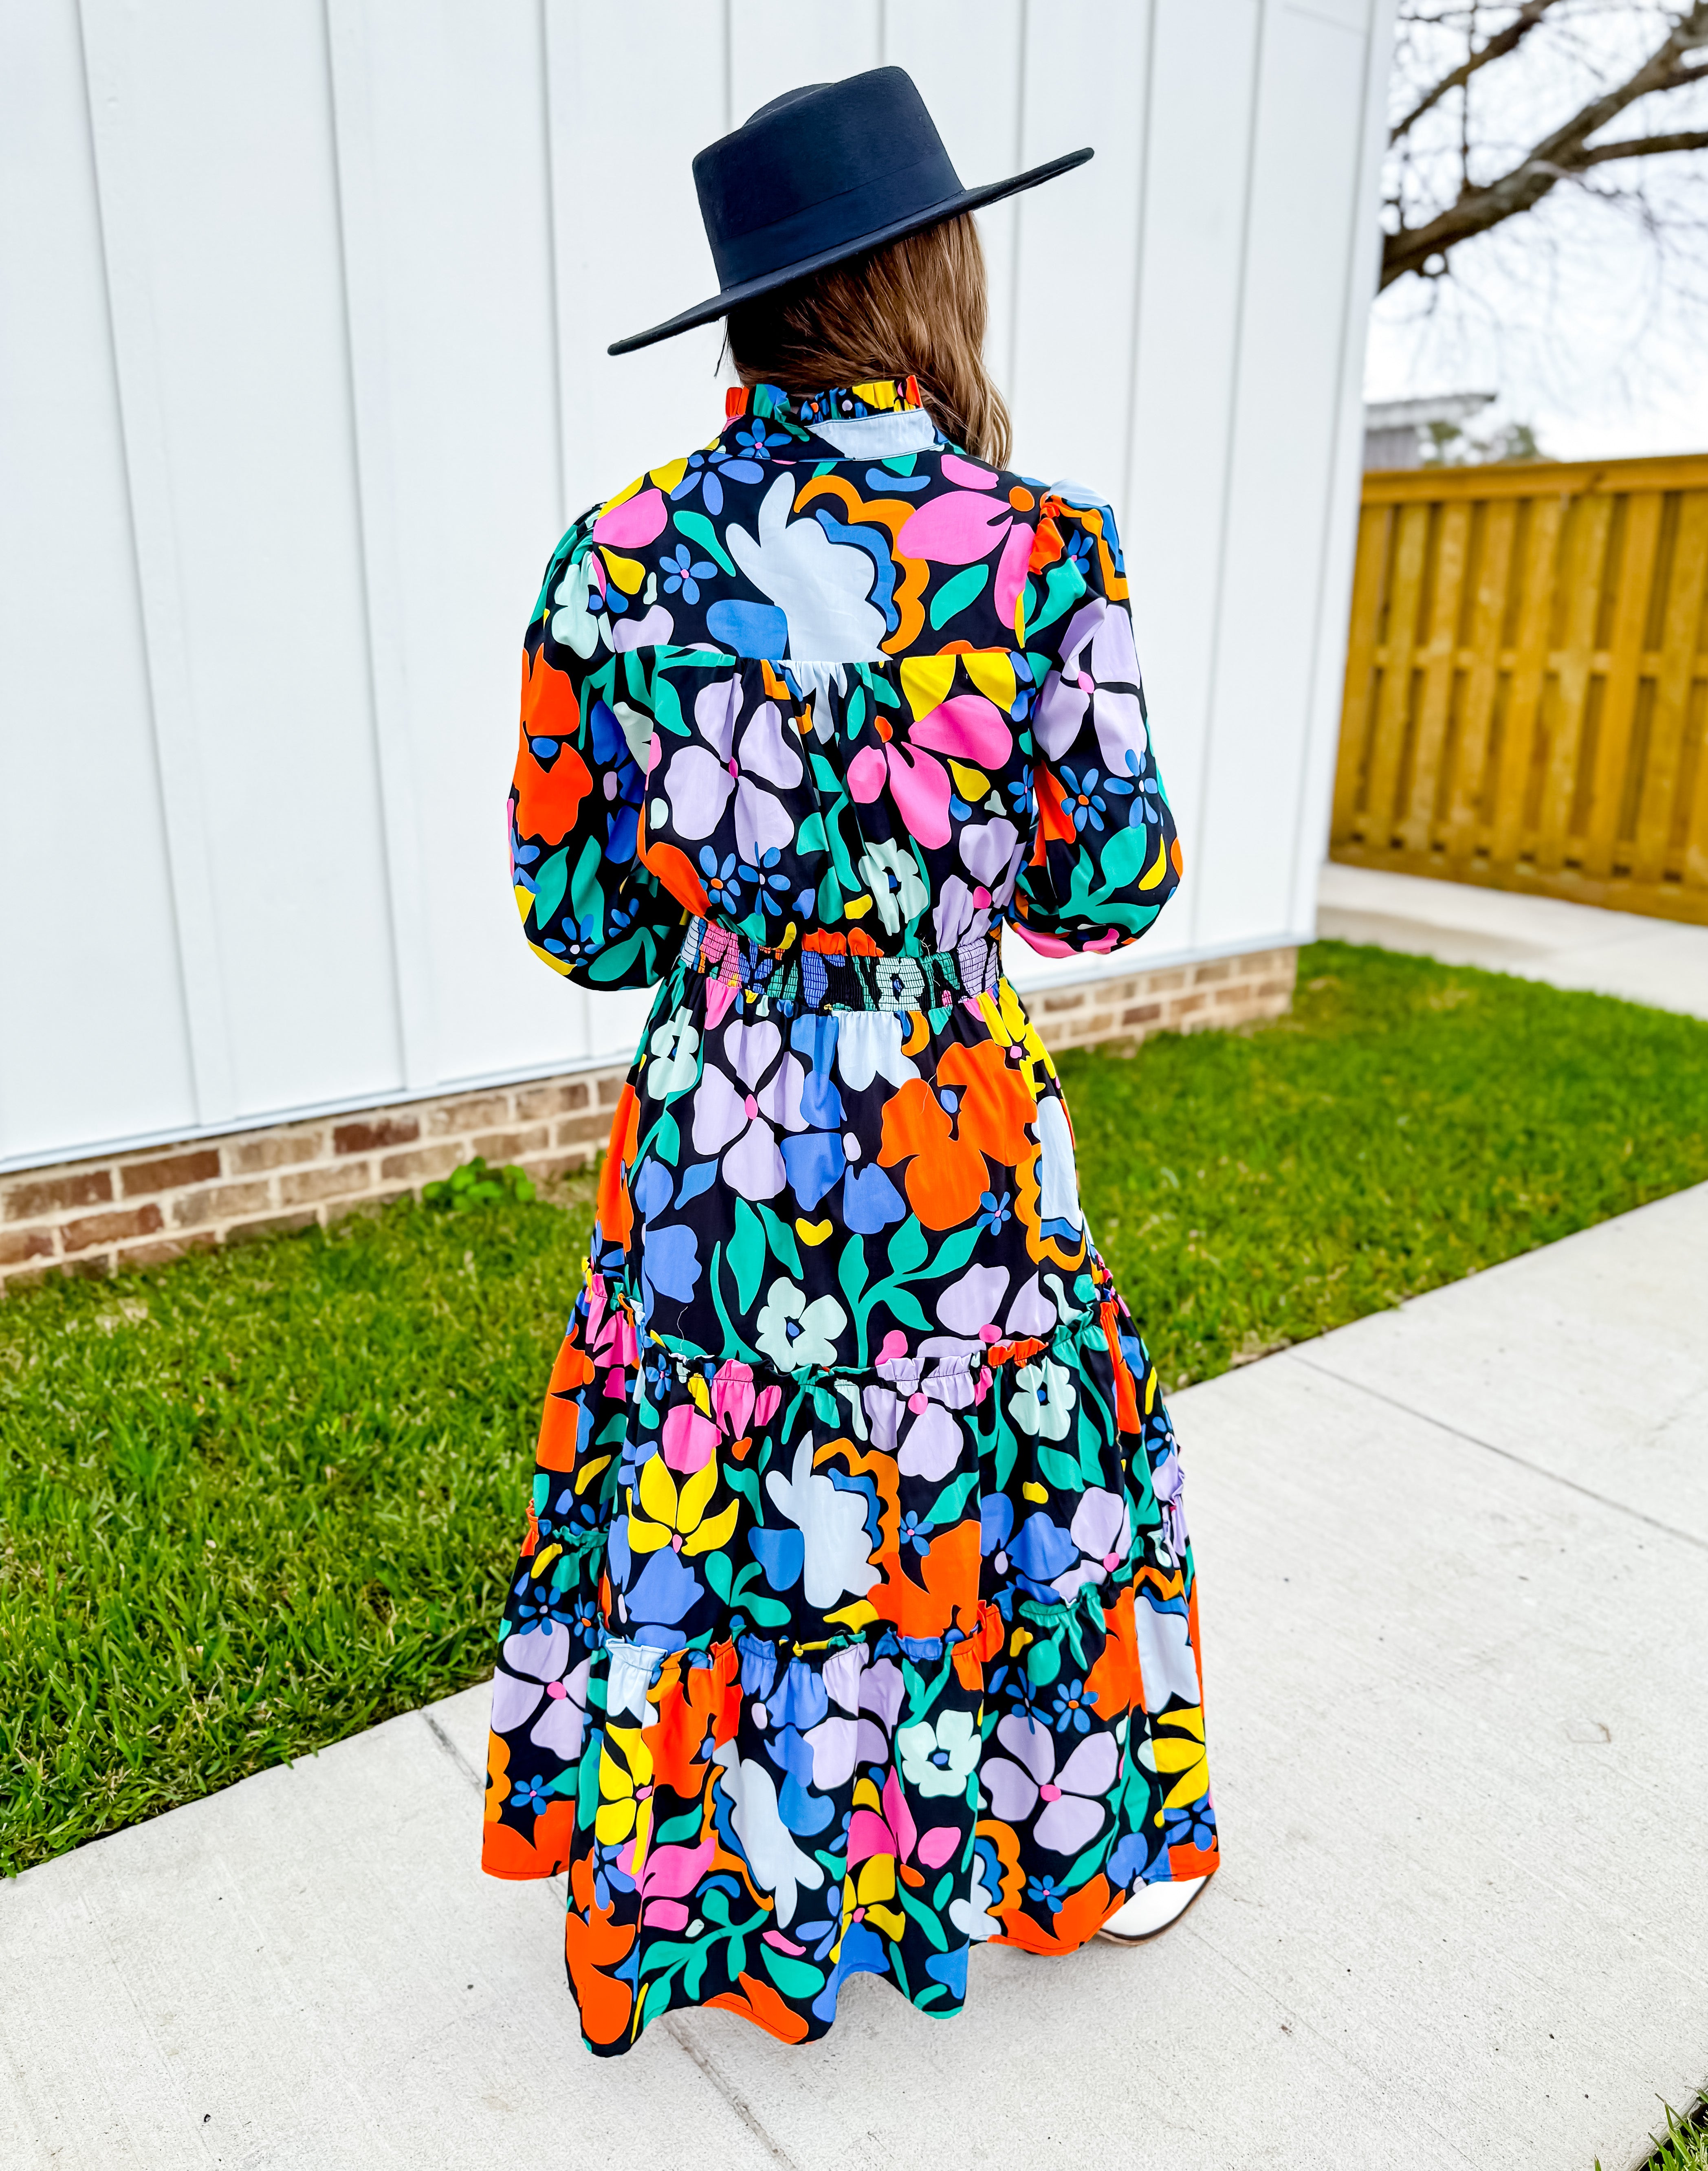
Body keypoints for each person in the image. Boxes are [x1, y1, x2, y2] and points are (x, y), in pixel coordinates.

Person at [481, 66, 1217, 2057]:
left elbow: (579, 918)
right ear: (931, 274)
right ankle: (1060, 1835)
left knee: (724, 1476)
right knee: (1001, 1457)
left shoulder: (609, 561)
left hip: (716, 1128)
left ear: (751, 307)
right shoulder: (1044, 549)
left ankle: (721, 1882)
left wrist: (744, 904)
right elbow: (1110, 884)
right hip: (954, 1123)